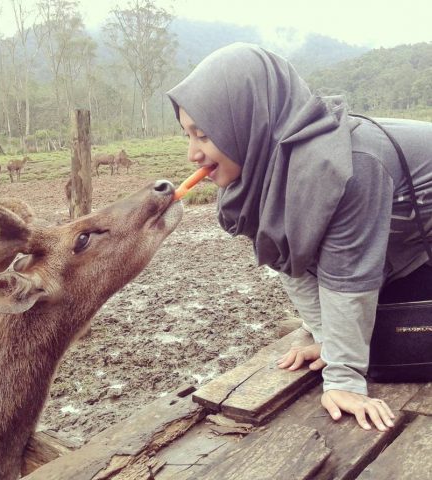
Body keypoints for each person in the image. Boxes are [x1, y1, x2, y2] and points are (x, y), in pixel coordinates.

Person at [167, 42, 432, 432]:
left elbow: (350, 276)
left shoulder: (345, 167)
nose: (192, 153)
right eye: (187, 135)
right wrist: (326, 337)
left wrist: (344, 381)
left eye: (203, 135)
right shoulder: (259, 175)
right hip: (400, 231)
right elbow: (291, 259)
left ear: (249, 121)